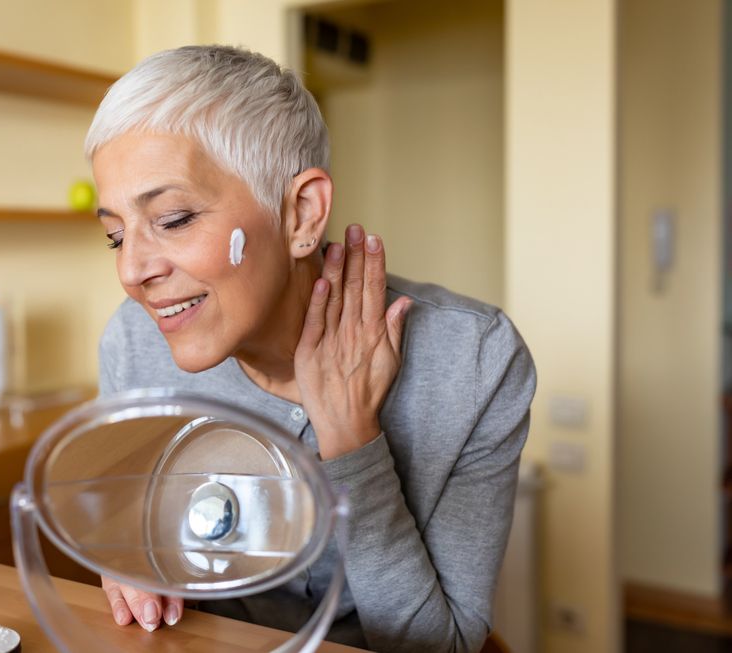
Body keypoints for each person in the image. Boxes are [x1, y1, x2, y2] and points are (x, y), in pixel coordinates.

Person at [85, 44, 536, 653]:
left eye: (172, 218)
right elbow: (129, 529)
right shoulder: (134, 344)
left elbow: (440, 646)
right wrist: (126, 550)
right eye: (114, 234)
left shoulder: (475, 362)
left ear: (301, 214)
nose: (132, 270)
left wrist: (352, 441)